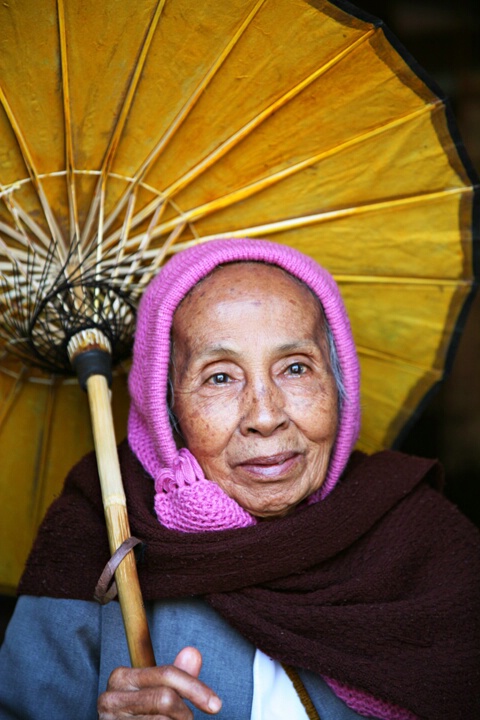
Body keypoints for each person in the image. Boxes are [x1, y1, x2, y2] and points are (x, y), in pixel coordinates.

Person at [0, 237, 479, 720]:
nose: (266, 416)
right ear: (167, 410)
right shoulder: (99, 538)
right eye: (220, 377)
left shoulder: (422, 541)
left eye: (296, 368)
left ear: (339, 384)